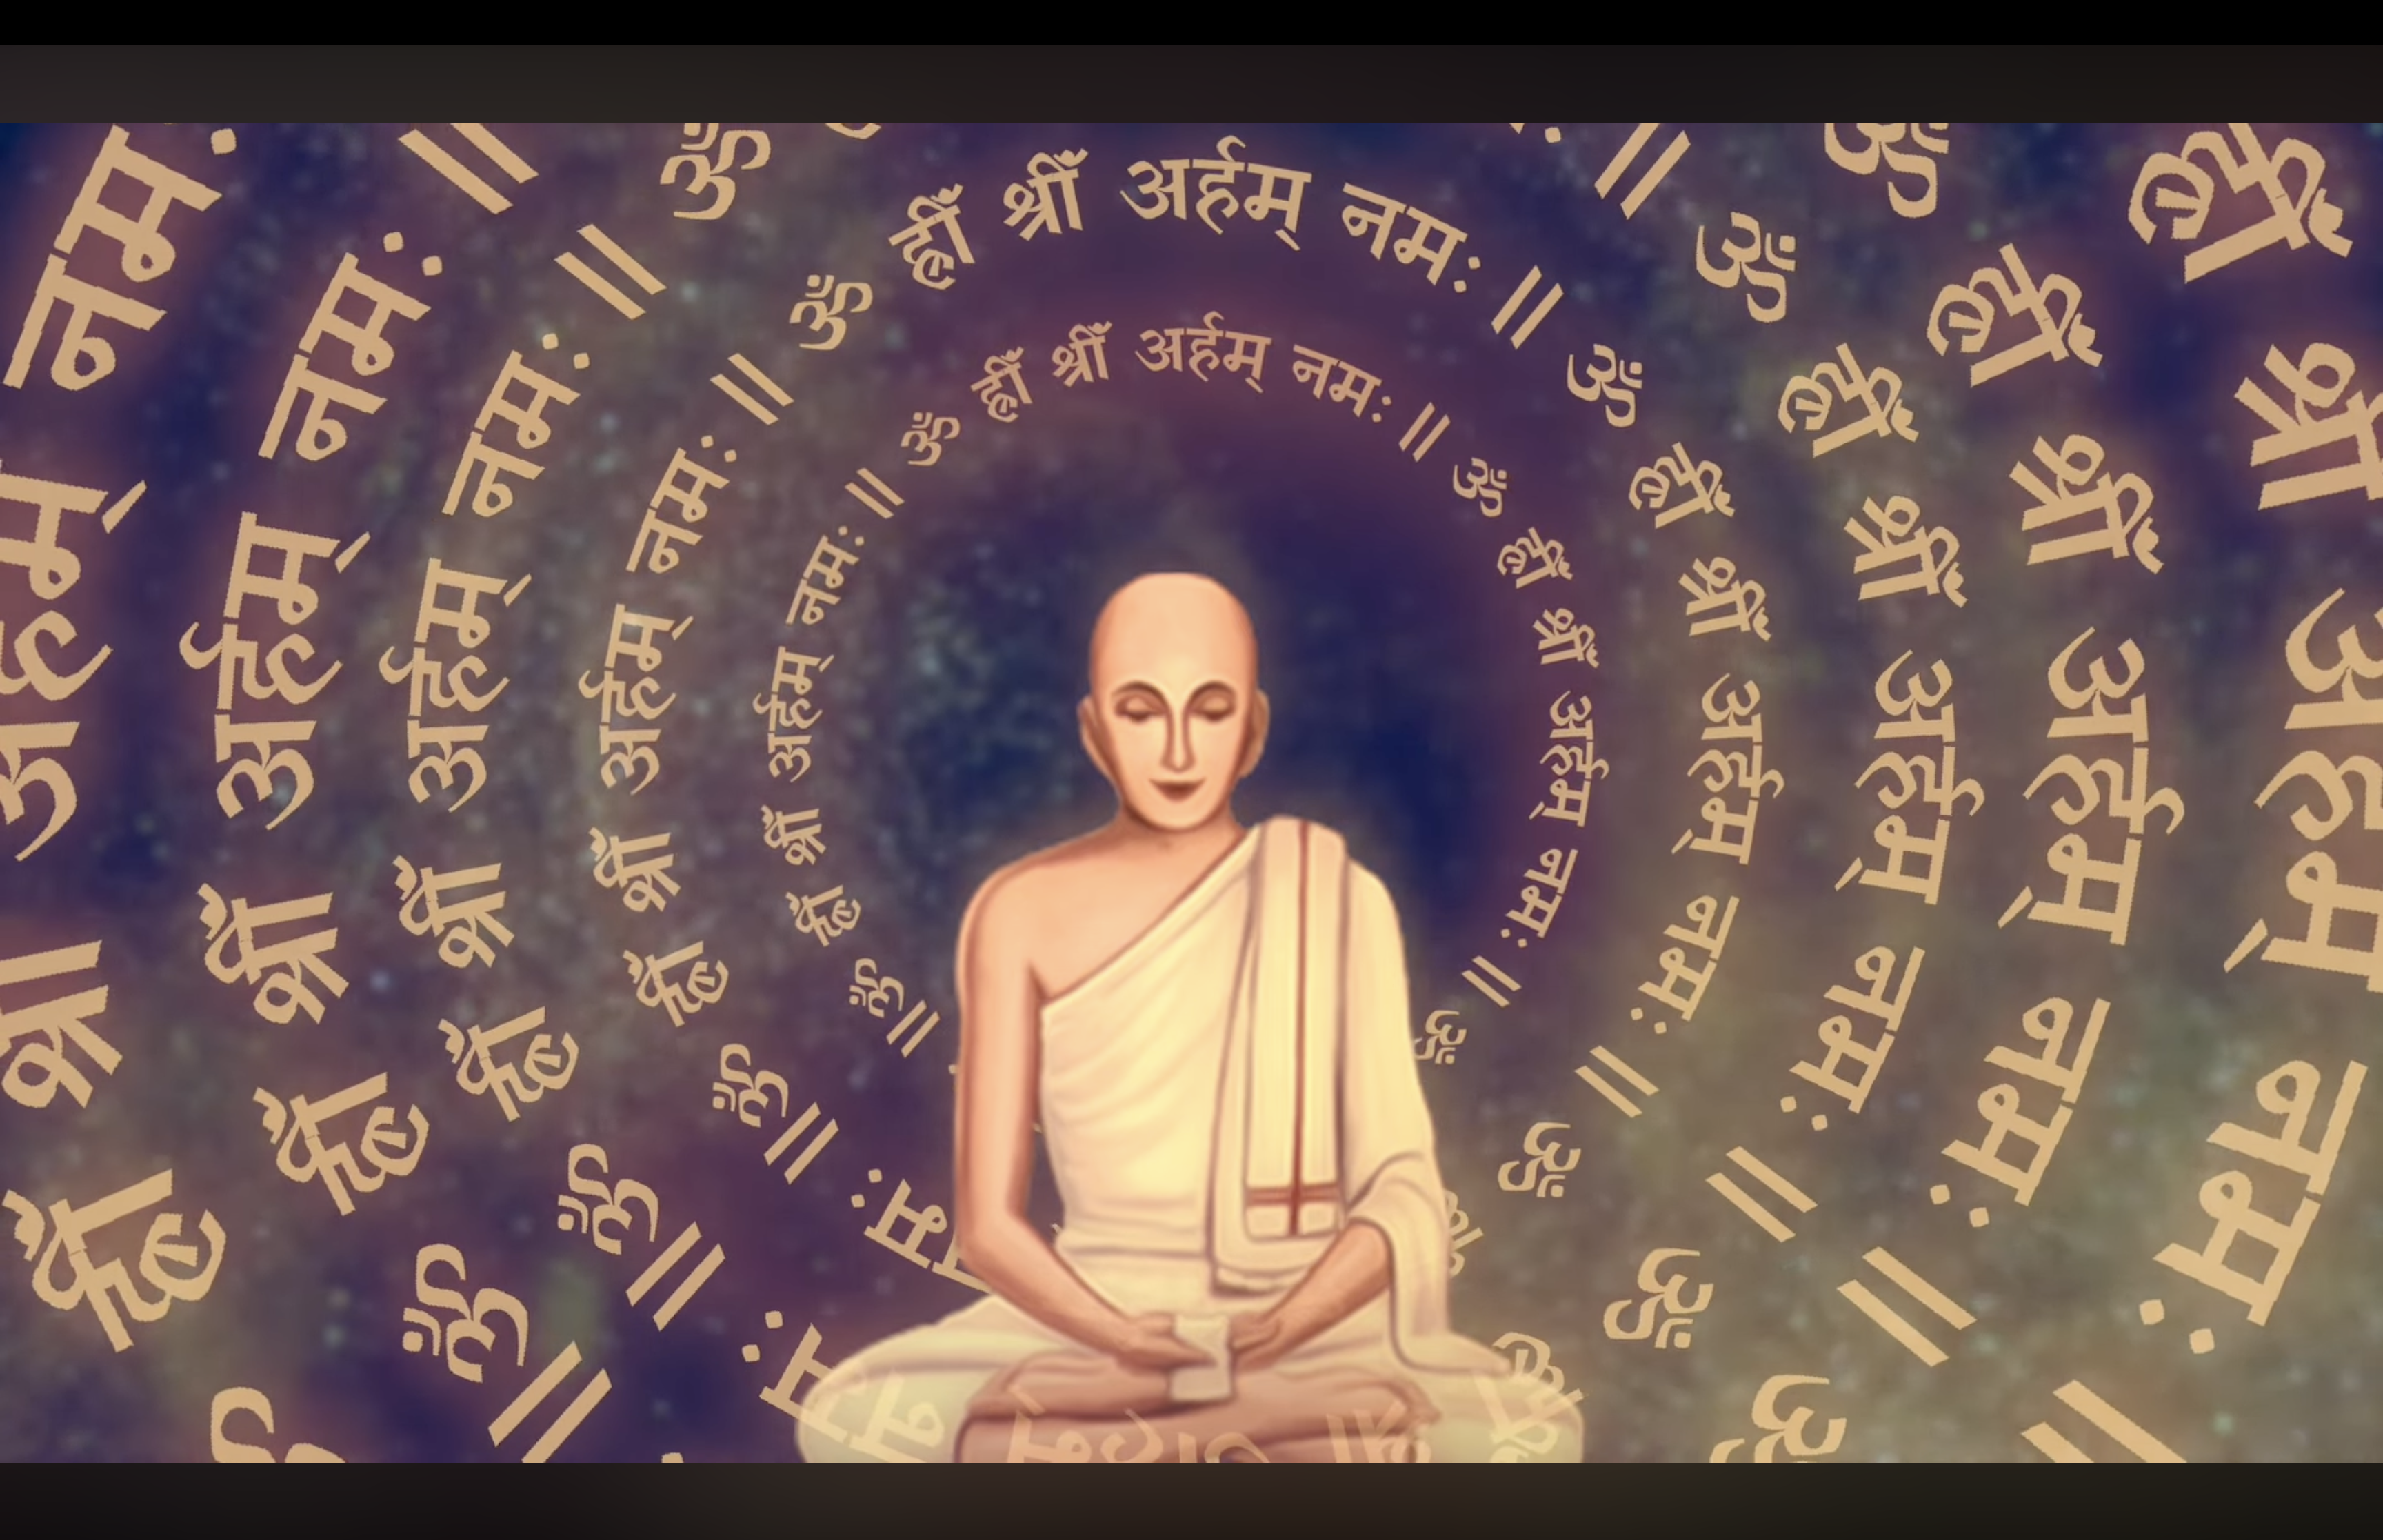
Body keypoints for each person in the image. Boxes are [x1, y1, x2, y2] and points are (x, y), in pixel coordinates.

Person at [797, 573, 1584, 1463]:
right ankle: (1265, 1427)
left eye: (1210, 711)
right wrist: (1122, 1339)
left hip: (1305, 1321)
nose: (1177, 750)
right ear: (1095, 732)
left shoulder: (1337, 897)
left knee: (1532, 1435)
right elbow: (987, 1228)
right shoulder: (1018, 911)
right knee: (851, 1419)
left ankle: (1177, 1428)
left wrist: (1284, 1327)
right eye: (1141, 712)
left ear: (1254, 729)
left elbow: (1402, 1191)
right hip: (1088, 1318)